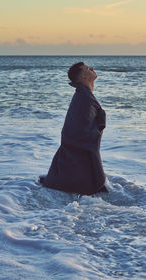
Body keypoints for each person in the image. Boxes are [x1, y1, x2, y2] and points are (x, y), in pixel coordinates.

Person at [39, 62, 108, 195]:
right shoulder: (84, 97)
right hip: (78, 144)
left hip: (76, 144)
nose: (92, 68)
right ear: (84, 77)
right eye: (88, 68)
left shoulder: (83, 95)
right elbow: (81, 129)